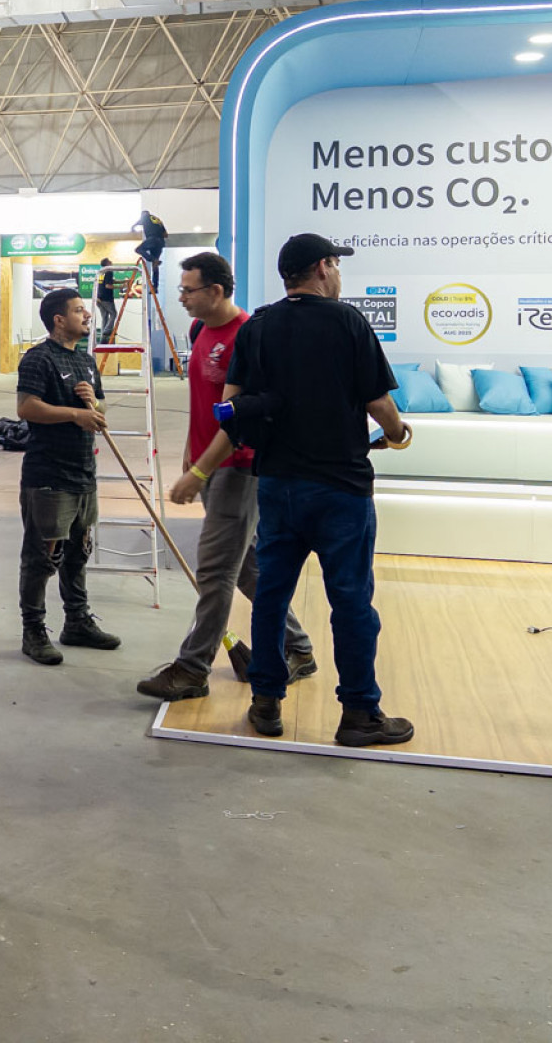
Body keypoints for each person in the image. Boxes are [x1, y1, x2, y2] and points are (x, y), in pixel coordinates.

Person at [224, 233, 415, 747]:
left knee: (270, 596)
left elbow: (232, 402)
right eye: (336, 264)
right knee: (351, 602)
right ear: (324, 268)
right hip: (340, 489)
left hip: (279, 486)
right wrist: (398, 436)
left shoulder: (257, 326)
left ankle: (266, 703)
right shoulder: (347, 321)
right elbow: (378, 404)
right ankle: (359, 714)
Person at [138, 252, 317, 702]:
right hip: (208, 468)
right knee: (248, 569)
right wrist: (189, 457)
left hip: (237, 469)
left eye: (188, 290)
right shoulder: (200, 331)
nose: (180, 298)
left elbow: (242, 421)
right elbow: (201, 403)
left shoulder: (247, 339)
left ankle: (192, 668)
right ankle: (298, 647)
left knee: (215, 571)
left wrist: (201, 470)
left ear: (215, 291)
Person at [15, 287, 120, 665]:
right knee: (43, 557)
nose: (87, 315)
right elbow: (26, 407)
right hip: (49, 477)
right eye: (79, 310)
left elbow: (101, 410)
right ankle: (33, 631)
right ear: (59, 319)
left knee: (78, 553)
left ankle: (76, 622)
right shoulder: (37, 359)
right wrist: (74, 414)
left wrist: (93, 399)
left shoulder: (87, 361)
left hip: (83, 475)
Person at [133, 210, 168, 292]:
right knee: (155, 266)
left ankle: (153, 259)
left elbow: (136, 224)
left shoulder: (146, 217)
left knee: (138, 249)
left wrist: (133, 228)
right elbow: (166, 234)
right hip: (161, 242)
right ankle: (155, 287)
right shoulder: (157, 220)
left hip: (152, 239)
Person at [95, 257, 118, 345]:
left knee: (104, 317)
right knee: (113, 314)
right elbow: (108, 285)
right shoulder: (109, 271)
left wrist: (123, 282)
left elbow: (111, 281)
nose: (111, 262)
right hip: (106, 298)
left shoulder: (102, 272)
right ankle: (107, 331)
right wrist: (120, 287)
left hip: (99, 298)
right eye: (110, 261)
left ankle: (103, 339)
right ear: (107, 263)